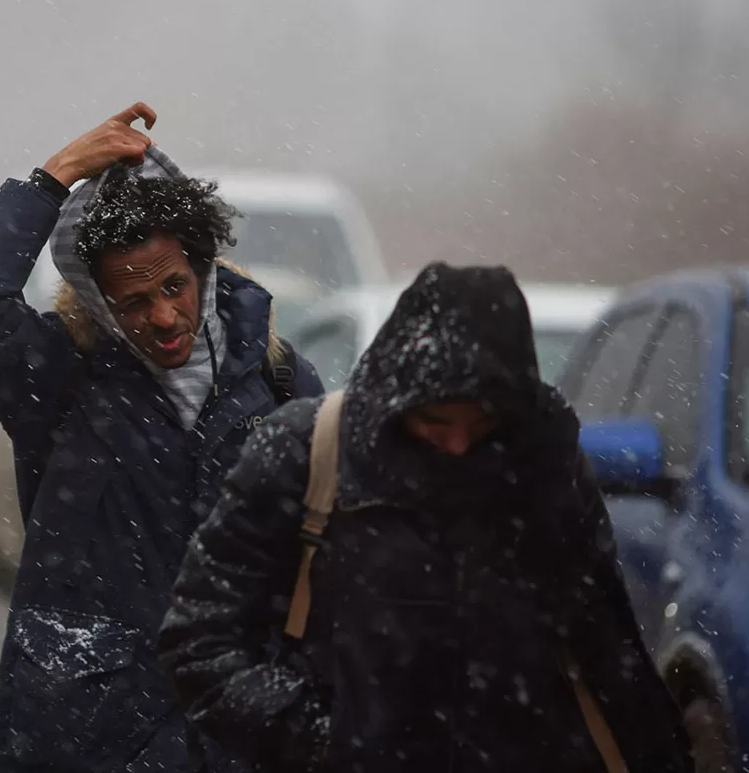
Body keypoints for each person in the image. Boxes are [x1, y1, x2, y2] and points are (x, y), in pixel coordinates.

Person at [159, 263, 695, 773]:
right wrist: (322, 738)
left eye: (480, 422)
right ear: (396, 400)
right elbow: (201, 641)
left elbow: (607, 650)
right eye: (435, 421)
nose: (458, 443)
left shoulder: (543, 464)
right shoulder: (307, 453)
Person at [0, 103, 323, 772]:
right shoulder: (60, 382)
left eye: (175, 286)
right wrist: (52, 179)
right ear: (99, 304)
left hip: (233, 734)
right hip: (86, 729)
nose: (164, 316)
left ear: (203, 271)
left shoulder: (279, 382)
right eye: (135, 302)